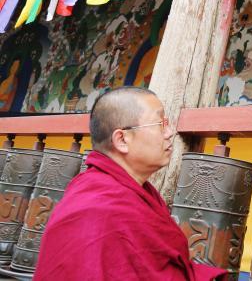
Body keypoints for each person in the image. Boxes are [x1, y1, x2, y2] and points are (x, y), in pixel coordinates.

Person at [34, 87, 227, 280]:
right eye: (160, 124)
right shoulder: (99, 207)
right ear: (122, 140)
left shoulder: (131, 192)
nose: (169, 133)